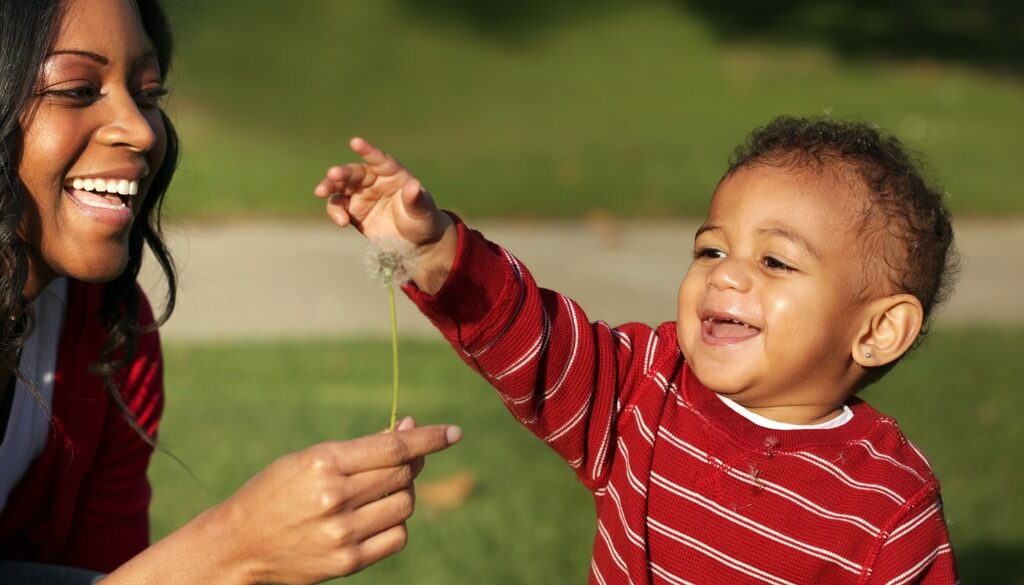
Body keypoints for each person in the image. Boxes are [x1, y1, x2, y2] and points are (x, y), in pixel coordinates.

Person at [313, 117, 960, 583]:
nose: (726, 275)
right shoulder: (645, 388)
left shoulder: (886, 505)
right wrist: (433, 248)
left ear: (877, 331)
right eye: (711, 249)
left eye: (774, 260)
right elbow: (530, 337)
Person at [0, 0, 462, 583]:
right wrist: (235, 546)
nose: (142, 130)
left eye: (147, 93)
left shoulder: (110, 335)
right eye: (76, 89)